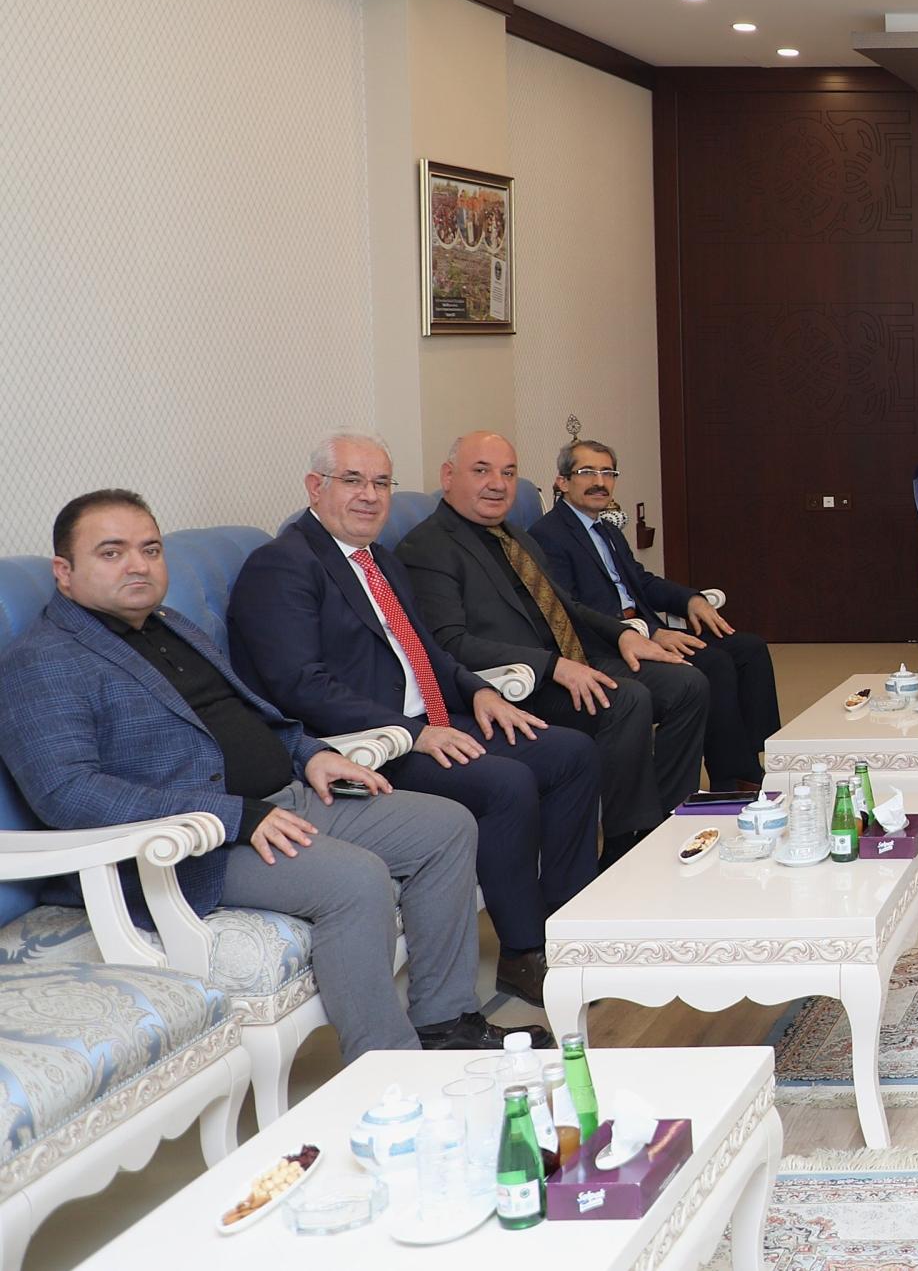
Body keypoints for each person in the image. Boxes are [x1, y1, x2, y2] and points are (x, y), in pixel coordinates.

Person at [0, 490, 513, 1057]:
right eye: (111, 553)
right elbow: (68, 794)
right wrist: (235, 816)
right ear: (64, 572)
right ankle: (387, 1064)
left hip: (284, 799)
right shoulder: (43, 660)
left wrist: (311, 754)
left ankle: (445, 1024)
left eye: (150, 549)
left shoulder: (169, 624)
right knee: (356, 879)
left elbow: (254, 718)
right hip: (191, 846)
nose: (138, 565)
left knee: (446, 826)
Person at [229, 431, 601, 1006]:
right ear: (315, 487)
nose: (370, 495)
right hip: (367, 746)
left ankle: (566, 923)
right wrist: (415, 733)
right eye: (353, 481)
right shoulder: (282, 565)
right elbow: (299, 685)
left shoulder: (378, 559)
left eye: (381, 483)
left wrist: (479, 692)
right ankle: (523, 952)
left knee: (571, 752)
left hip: (432, 719)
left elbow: (426, 649)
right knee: (505, 782)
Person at [398, 431, 708, 866]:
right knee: (626, 700)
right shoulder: (428, 546)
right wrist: (552, 666)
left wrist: (624, 635)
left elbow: (567, 606)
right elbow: (450, 644)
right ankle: (624, 845)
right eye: (482, 471)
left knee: (687, 684)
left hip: (572, 656)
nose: (498, 484)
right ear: (448, 477)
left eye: (508, 473)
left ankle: (669, 814)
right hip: (522, 682)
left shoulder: (515, 536)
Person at [530, 439, 779, 792]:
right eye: (587, 472)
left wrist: (690, 600)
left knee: (749, 649)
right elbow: (570, 607)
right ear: (562, 481)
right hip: (608, 643)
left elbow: (641, 581)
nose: (599, 481)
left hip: (644, 627)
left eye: (608, 473)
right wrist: (648, 631)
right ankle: (731, 779)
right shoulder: (548, 535)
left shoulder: (607, 529)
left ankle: (751, 762)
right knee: (715, 663)